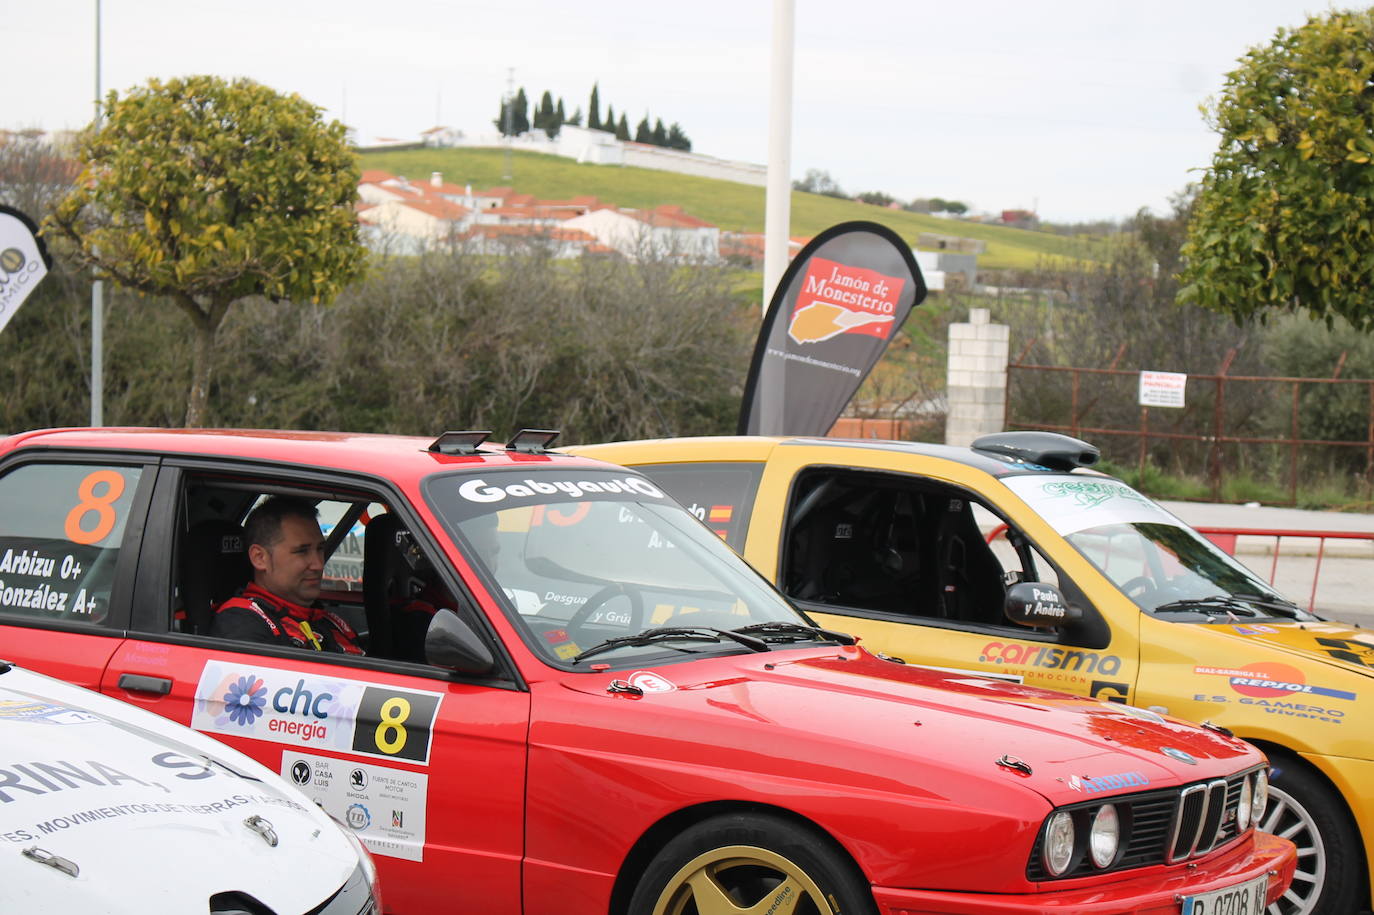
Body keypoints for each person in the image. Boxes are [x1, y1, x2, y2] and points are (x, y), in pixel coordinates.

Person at [211, 496, 363, 654]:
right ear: (260, 558)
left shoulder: (332, 623)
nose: (318, 564)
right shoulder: (241, 624)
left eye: (319, 549)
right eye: (302, 551)